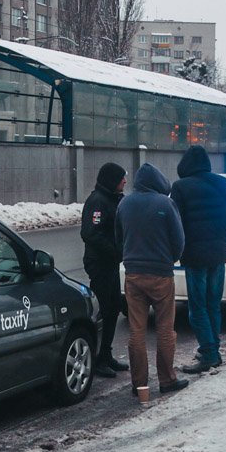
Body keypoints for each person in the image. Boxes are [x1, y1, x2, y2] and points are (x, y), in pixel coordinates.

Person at [116, 163, 189, 397]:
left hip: (133, 275)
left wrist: (130, 258)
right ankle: (167, 379)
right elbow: (179, 241)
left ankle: (139, 384)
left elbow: (118, 238)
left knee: (137, 331)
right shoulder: (166, 204)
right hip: (161, 275)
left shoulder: (124, 203)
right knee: (165, 329)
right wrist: (170, 259)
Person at [169, 145, 226, 373]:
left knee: (197, 306)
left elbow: (175, 223)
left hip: (194, 256)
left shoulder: (180, 187)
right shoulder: (222, 183)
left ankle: (209, 353)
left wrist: (181, 247)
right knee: (213, 304)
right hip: (218, 254)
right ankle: (213, 349)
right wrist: (220, 236)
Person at [80, 162, 129, 378]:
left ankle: (106, 354)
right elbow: (91, 234)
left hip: (110, 262)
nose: (125, 181)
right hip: (99, 263)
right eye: (121, 178)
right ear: (112, 180)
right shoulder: (97, 201)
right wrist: (116, 251)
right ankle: (98, 358)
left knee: (114, 306)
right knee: (104, 309)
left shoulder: (112, 199)